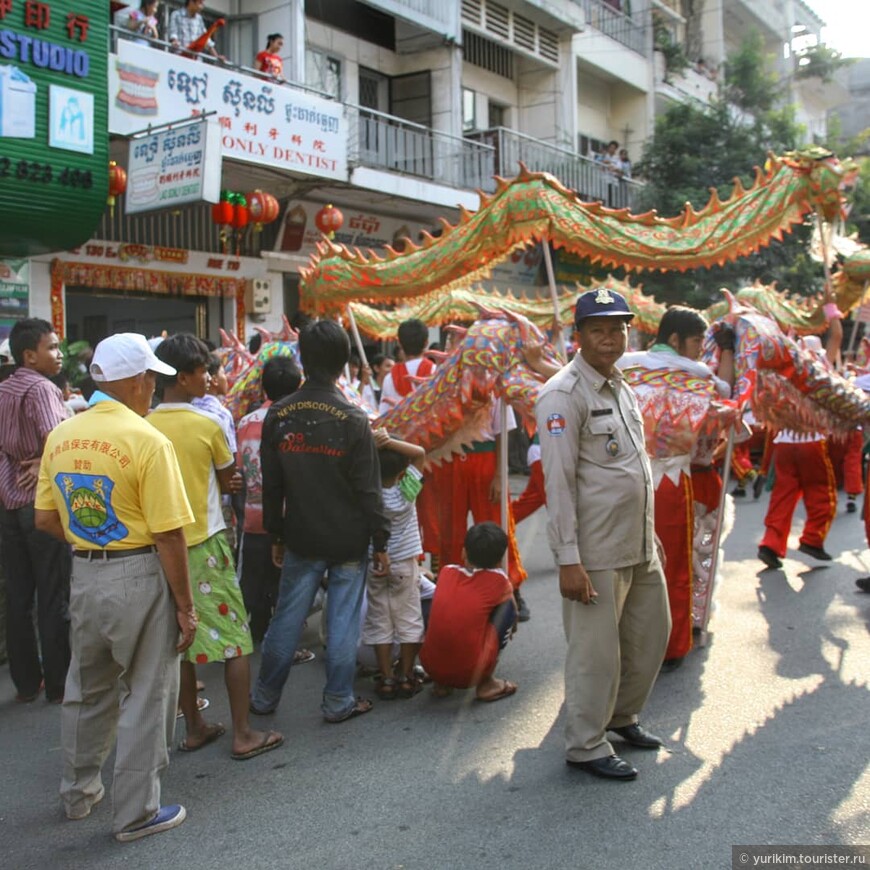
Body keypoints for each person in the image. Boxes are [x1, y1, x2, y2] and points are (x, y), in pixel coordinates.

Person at [34, 333, 196, 842]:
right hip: (139, 573)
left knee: (87, 689)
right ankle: (135, 814)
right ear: (132, 381)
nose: (152, 386)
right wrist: (186, 607)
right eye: (149, 377)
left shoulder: (62, 434)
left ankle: (79, 794)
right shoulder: (147, 440)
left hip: (86, 572)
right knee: (148, 693)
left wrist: (91, 540)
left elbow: (44, 518)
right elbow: (169, 533)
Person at [535, 287, 671, 781]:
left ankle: (620, 717)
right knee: (595, 654)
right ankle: (586, 744)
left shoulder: (621, 384)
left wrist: (649, 532)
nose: (611, 339)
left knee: (651, 633)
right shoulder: (562, 394)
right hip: (594, 550)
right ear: (579, 336)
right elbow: (558, 481)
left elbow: (635, 465)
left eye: (618, 329)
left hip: (636, 541)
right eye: (599, 330)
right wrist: (568, 558)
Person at [150, 334, 283, 761]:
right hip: (205, 543)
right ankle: (243, 733)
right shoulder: (206, 424)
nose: (209, 378)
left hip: (159, 548)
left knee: (182, 643)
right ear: (184, 377)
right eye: (203, 371)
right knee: (235, 641)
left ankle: (194, 728)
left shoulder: (143, 425)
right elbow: (230, 481)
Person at [251, 320, 390, 722]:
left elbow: (272, 486)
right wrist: (380, 540)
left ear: (303, 360)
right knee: (342, 621)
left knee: (287, 619)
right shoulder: (353, 418)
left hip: (300, 533)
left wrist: (276, 533)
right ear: (344, 362)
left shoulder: (278, 415)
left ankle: (263, 698)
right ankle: (337, 701)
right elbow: (369, 490)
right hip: (348, 538)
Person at [620, 306, 733, 668]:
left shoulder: (623, 365)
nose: (701, 349)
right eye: (697, 341)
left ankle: (624, 643)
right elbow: (725, 394)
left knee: (623, 563)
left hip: (623, 477)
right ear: (675, 339)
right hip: (671, 480)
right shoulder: (698, 374)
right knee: (674, 564)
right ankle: (671, 647)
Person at [0, 318, 71, 704]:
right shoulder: (42, 389)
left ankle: (27, 682)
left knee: (18, 593)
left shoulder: (4, 389)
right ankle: (59, 683)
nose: (59, 355)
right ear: (30, 355)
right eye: (53, 347)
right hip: (39, 502)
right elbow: (59, 441)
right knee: (52, 592)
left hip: (7, 501)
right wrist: (42, 459)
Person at [236, 356, 302, 643]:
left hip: (254, 515)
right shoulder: (299, 420)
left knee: (255, 578)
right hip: (292, 517)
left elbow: (240, 468)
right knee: (287, 582)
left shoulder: (246, 422)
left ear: (264, 388)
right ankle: (285, 636)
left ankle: (258, 627)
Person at [420, 522, 517, 702]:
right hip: (470, 674)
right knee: (508, 608)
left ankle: (441, 683)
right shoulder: (499, 579)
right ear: (499, 560)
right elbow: (513, 610)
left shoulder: (447, 571)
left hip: (429, 665)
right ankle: (486, 682)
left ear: (464, 552)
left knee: (436, 604)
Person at [362, 431, 426, 700]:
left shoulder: (368, 493)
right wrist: (388, 442)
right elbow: (420, 453)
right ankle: (407, 674)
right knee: (409, 619)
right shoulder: (406, 490)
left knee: (380, 620)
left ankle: (386, 678)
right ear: (402, 470)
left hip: (375, 564)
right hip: (404, 565)